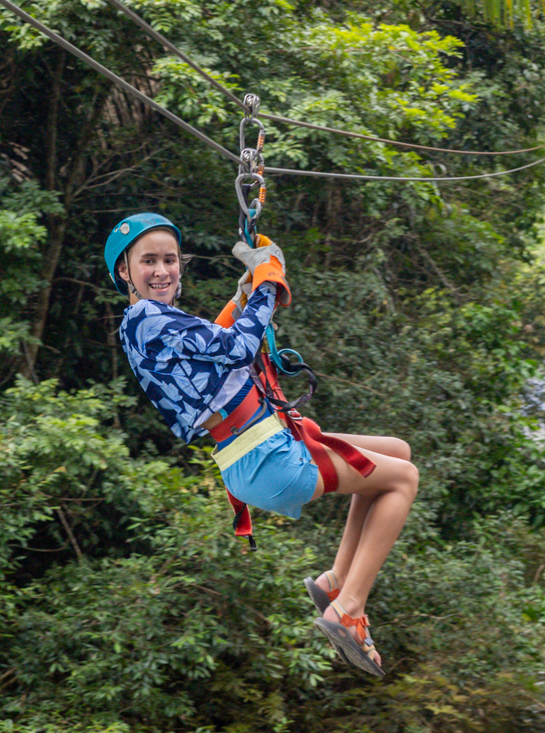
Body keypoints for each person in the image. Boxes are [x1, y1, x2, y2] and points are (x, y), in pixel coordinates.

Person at [106, 212, 421, 676]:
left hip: (257, 449)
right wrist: (270, 281)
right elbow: (236, 349)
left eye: (170, 260)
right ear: (124, 272)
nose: (161, 270)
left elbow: (213, 345)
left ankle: (336, 581)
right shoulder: (146, 317)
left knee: (396, 452)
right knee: (403, 481)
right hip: (264, 456)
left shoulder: (149, 323)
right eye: (148, 261)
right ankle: (349, 608)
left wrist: (246, 294)